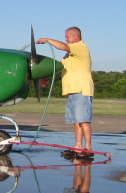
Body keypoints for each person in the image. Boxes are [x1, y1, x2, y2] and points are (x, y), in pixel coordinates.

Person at [37, 27, 94, 156]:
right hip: (72, 90)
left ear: (75, 37)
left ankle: (88, 148)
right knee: (76, 120)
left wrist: (47, 40)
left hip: (81, 89)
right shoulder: (69, 55)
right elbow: (58, 66)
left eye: (67, 36)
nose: (66, 39)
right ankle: (78, 146)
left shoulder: (80, 47)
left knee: (83, 120)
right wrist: (43, 74)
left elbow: (63, 46)